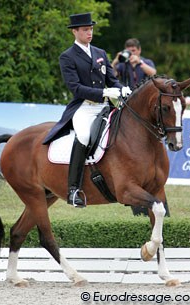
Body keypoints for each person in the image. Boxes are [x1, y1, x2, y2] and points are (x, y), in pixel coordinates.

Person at [43, 12, 131, 208]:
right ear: (75, 32)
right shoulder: (67, 57)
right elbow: (75, 87)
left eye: (90, 29)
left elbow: (112, 79)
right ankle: (73, 189)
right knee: (83, 136)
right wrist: (103, 92)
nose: (89, 33)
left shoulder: (100, 53)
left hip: (105, 107)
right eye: (85, 30)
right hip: (84, 107)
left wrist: (120, 87)